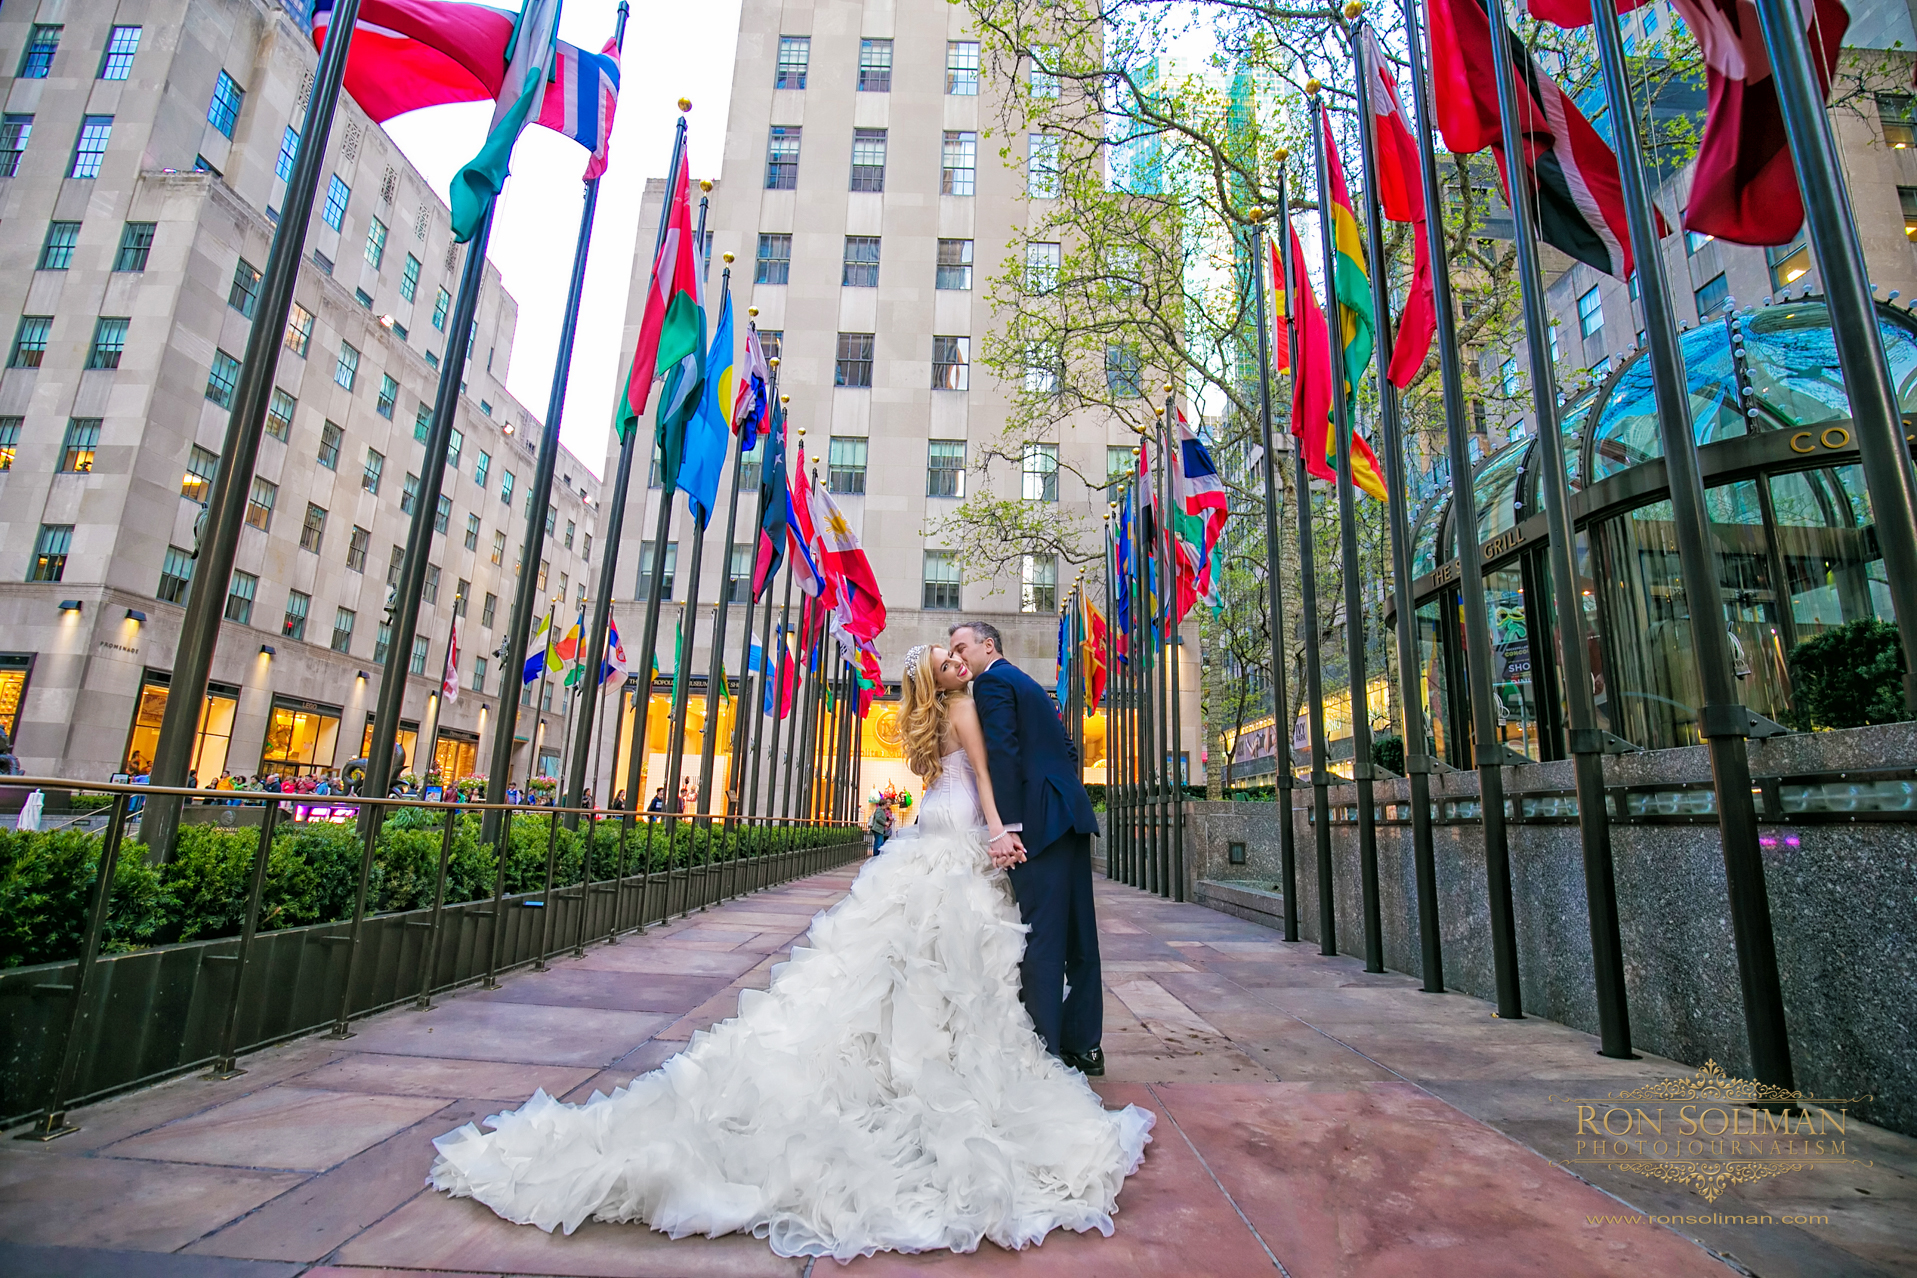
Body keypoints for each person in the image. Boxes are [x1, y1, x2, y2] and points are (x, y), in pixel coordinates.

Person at [430, 642, 1152, 1259]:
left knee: (910, 957)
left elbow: (944, 778)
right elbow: (988, 782)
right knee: (950, 961)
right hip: (959, 833)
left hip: (930, 832)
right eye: (947, 655)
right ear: (944, 678)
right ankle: (935, 1061)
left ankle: (909, 1053)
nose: (959, 657)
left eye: (956, 650)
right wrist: (998, 831)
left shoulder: (927, 718)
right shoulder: (966, 706)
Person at [948, 619, 1105, 1076]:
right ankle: (1085, 1045)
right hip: (1068, 813)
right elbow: (1068, 747)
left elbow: (1003, 752)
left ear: (987, 645)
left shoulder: (993, 682)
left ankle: (1045, 1049)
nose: (958, 658)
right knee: (1080, 935)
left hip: (1038, 824)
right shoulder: (1027, 682)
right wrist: (1058, 788)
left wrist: (1008, 826)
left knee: (1042, 936)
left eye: (961, 648)